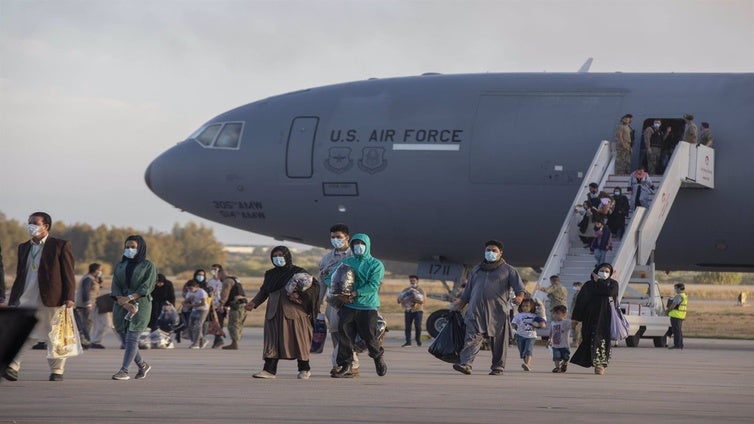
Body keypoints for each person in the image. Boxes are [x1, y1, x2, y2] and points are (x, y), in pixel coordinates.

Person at [3, 212, 76, 382]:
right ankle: (13, 367)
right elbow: (20, 274)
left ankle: (57, 371)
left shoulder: (60, 245)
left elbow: (69, 274)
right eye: (29, 222)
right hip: (27, 297)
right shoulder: (24, 247)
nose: (31, 226)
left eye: (35, 223)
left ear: (46, 226)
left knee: (55, 335)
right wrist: (13, 297)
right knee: (25, 333)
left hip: (53, 298)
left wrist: (69, 297)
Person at [452, 240, 525, 376]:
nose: (490, 253)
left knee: (498, 342)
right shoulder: (476, 269)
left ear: (500, 253)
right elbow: (467, 291)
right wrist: (459, 306)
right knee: (471, 338)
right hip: (475, 311)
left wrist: (519, 298)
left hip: (498, 312)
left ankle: (498, 367)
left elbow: (519, 288)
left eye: (494, 250)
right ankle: (466, 364)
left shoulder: (509, 270)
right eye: (488, 250)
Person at [246, 246, 320, 379]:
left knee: (298, 341)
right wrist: (253, 303)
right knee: (272, 341)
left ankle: (304, 368)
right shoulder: (270, 274)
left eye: (281, 255)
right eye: (275, 256)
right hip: (274, 312)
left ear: (287, 256)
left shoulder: (298, 272)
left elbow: (313, 287)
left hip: (294, 313)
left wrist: (299, 295)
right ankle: (269, 370)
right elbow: (264, 291)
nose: (278, 258)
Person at [331, 234, 387, 378]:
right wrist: (337, 292)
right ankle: (346, 365)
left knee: (369, 337)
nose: (358, 246)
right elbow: (333, 277)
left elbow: (373, 286)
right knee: (344, 335)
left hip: (367, 306)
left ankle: (377, 357)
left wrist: (355, 293)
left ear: (367, 245)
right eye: (355, 243)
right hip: (349, 306)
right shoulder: (347, 261)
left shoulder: (376, 264)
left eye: (361, 243)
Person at [111, 235, 157, 380]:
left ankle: (124, 370)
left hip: (140, 305)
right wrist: (123, 302)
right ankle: (143, 365)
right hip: (121, 305)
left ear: (140, 248)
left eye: (133, 247)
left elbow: (147, 286)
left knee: (132, 338)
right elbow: (115, 285)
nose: (129, 249)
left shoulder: (148, 265)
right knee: (125, 339)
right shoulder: (120, 265)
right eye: (127, 246)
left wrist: (130, 298)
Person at [317, 223, 359, 376]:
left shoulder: (355, 256)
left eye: (339, 237)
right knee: (335, 330)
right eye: (333, 237)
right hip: (334, 301)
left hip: (352, 301)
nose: (335, 240)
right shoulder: (326, 258)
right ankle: (339, 362)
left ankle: (352, 363)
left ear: (347, 238)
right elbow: (321, 281)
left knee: (350, 331)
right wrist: (318, 301)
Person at [570, 263, 619, 375]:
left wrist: (600, 282)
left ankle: (600, 365)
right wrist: (575, 318)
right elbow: (580, 302)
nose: (604, 273)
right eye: (602, 270)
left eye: (607, 271)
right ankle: (593, 362)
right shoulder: (588, 285)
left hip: (605, 317)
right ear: (596, 271)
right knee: (589, 339)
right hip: (589, 318)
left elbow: (608, 293)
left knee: (602, 341)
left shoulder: (613, 284)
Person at [511, 298, 545, 372]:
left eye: (527, 306)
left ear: (532, 307)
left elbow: (543, 320)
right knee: (522, 352)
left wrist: (540, 304)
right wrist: (513, 331)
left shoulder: (535, 315)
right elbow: (513, 324)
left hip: (531, 336)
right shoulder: (518, 315)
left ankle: (528, 364)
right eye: (523, 306)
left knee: (528, 350)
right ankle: (526, 364)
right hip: (520, 335)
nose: (525, 307)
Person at [74, 263, 103, 348]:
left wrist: (99, 281)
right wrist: (88, 304)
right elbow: (85, 292)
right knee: (86, 323)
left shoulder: (92, 278)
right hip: (85, 305)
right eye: (100, 270)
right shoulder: (88, 279)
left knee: (88, 323)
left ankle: (86, 340)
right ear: (95, 270)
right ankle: (86, 341)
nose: (101, 272)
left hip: (89, 305)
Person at [218, 268, 247, 350]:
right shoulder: (236, 280)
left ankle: (234, 343)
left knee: (233, 324)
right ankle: (235, 342)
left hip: (236, 305)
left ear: (220, 274)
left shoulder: (227, 281)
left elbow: (225, 293)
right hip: (243, 304)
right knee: (239, 324)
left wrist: (222, 304)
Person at [398, 275, 425, 347]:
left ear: (417, 281)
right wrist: (403, 301)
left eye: (414, 281)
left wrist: (413, 299)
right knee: (407, 327)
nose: (412, 282)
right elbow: (399, 299)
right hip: (408, 311)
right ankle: (408, 342)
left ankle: (418, 340)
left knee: (418, 326)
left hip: (418, 311)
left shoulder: (421, 290)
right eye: (411, 281)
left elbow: (422, 301)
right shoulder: (406, 290)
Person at [184, 276, 210, 349]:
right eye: (188, 288)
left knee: (198, 326)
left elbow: (203, 303)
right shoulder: (189, 293)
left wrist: (192, 305)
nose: (190, 290)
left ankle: (196, 343)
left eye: (191, 288)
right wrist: (189, 300)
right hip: (194, 310)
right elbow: (184, 302)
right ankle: (202, 340)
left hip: (203, 310)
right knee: (190, 325)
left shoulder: (201, 292)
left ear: (196, 287)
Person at [548, 305, 571, 373]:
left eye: (558, 313)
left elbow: (572, 324)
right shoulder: (553, 323)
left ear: (564, 314)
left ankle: (564, 364)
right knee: (556, 357)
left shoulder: (566, 322)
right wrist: (549, 339)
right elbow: (551, 331)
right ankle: (557, 367)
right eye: (554, 313)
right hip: (555, 345)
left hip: (565, 345)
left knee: (566, 357)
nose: (555, 315)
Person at [207, 264, 226, 348]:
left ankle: (218, 339)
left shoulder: (224, 282)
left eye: (215, 269)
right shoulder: (209, 282)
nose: (214, 271)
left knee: (220, 322)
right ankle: (218, 339)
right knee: (214, 323)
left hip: (221, 305)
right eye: (212, 269)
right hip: (212, 305)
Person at [667, 283, 688, 350]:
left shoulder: (679, 296)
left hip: (676, 316)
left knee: (676, 331)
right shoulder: (684, 296)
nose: (675, 289)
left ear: (679, 288)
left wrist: (667, 311)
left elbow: (673, 305)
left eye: (675, 288)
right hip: (680, 316)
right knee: (679, 331)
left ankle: (677, 345)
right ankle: (680, 345)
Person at [569, 282, 583, 348]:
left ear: (578, 286)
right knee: (575, 328)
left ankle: (576, 342)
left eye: (575, 286)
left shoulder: (581, 294)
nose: (574, 287)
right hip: (575, 313)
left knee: (577, 329)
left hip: (578, 314)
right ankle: (577, 341)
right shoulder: (577, 293)